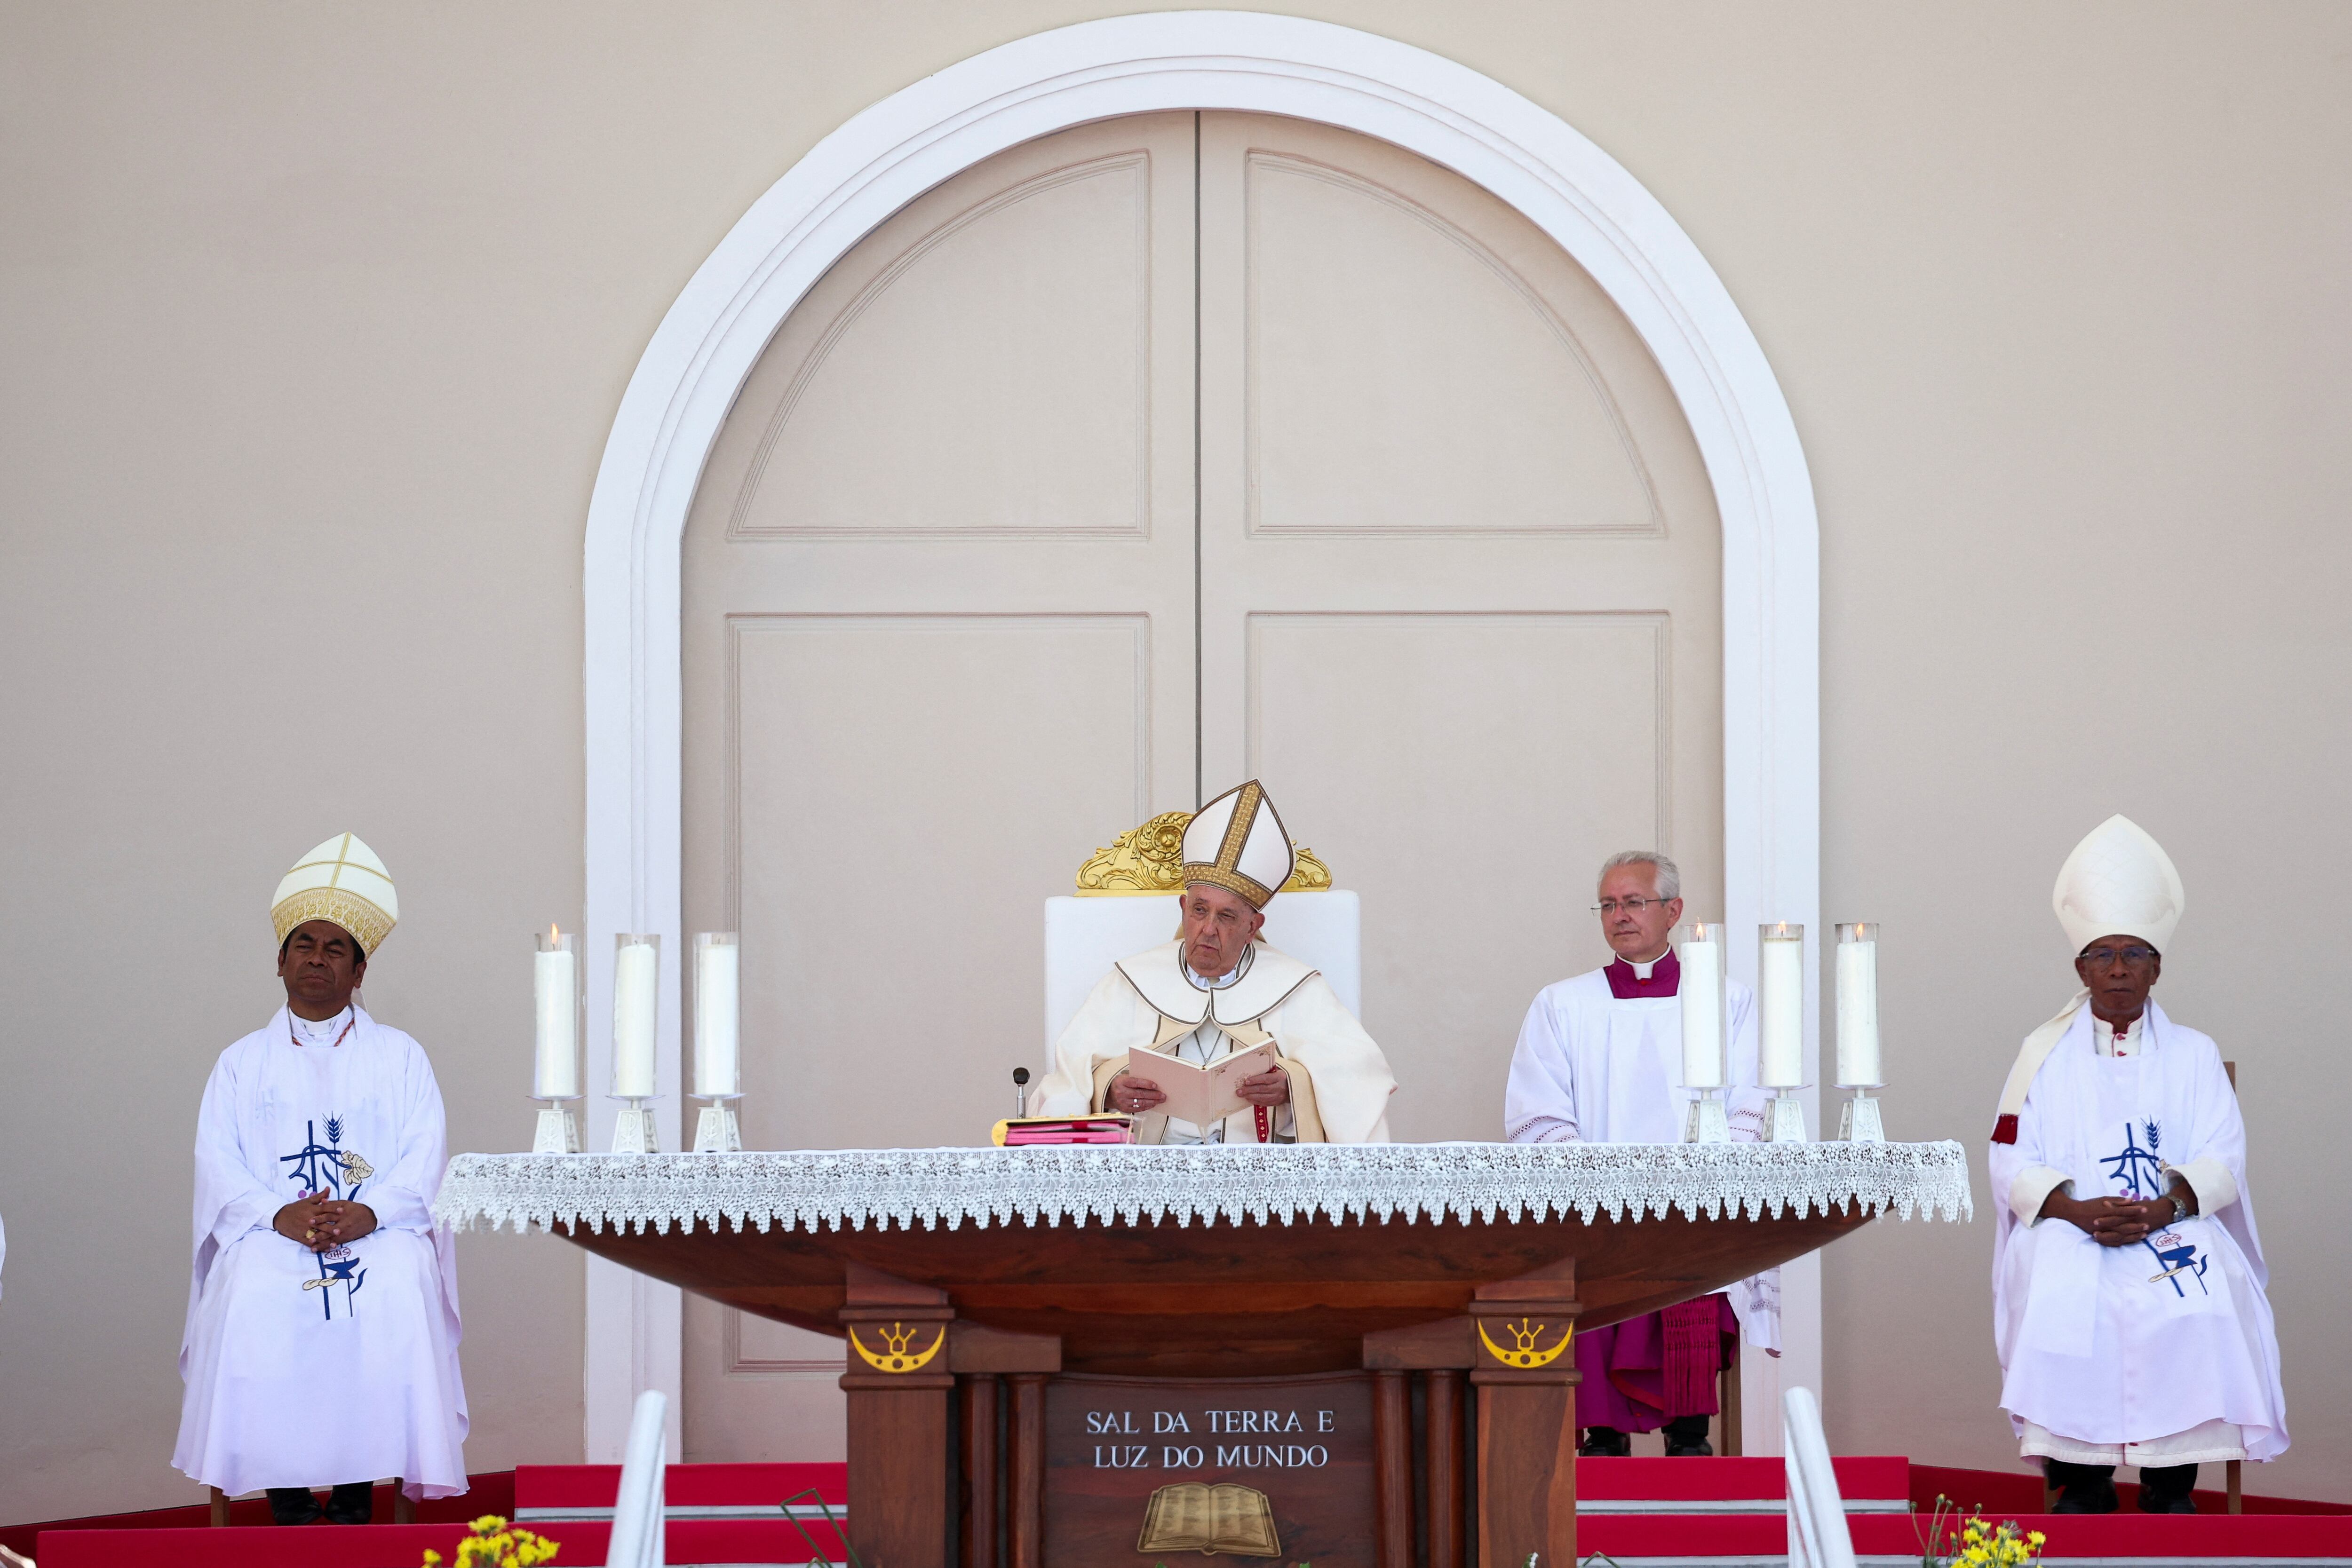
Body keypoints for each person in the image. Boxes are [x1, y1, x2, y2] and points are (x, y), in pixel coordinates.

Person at [1989, 815, 2286, 1513]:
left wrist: (2166, 1207)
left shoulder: (2195, 1053)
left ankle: (2171, 1483)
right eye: (2102, 953)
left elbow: (2224, 1151)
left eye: (2133, 953)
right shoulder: (2043, 1056)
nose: (2118, 968)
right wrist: (2073, 1209)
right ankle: (2083, 1483)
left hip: (2170, 1220)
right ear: (2080, 967)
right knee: (2056, 1280)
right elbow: (2010, 1151)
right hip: (2074, 1222)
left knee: (2205, 1293)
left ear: (2158, 966)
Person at [174, 834, 468, 1524]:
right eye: (304, 943)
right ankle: (289, 1499)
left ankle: (358, 1496)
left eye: (336, 948)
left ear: (360, 972)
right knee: (250, 1285)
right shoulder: (241, 1062)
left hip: (377, 1230)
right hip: (270, 1231)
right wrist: (280, 1215)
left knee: (398, 1280)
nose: (316, 957)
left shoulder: (400, 1056)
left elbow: (427, 1152)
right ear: (280, 961)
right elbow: (217, 1159)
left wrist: (368, 1214)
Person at [1502, 851, 1776, 1456]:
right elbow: (1536, 1106)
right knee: (1601, 1320)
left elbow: (1753, 1094)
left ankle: (1688, 1441)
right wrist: (1595, 1181)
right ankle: (1602, 1446)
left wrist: (1707, 1172)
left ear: (1672, 910)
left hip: (1691, 1207)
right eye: (1607, 904)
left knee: (1688, 1313)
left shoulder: (1727, 1000)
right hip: (1601, 1212)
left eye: (1633, 901)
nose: (1618, 915)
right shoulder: (1562, 1004)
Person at [1033, 781, 1396, 1143]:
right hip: (1149, 1173)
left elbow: (1358, 1081)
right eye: (1199, 910)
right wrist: (1110, 1089)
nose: (1207, 930)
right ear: (1183, 908)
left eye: (1226, 917)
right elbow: (1066, 1081)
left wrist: (1292, 1087)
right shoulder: (1131, 981)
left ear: (1253, 926)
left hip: (1259, 1178)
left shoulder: (1297, 988)